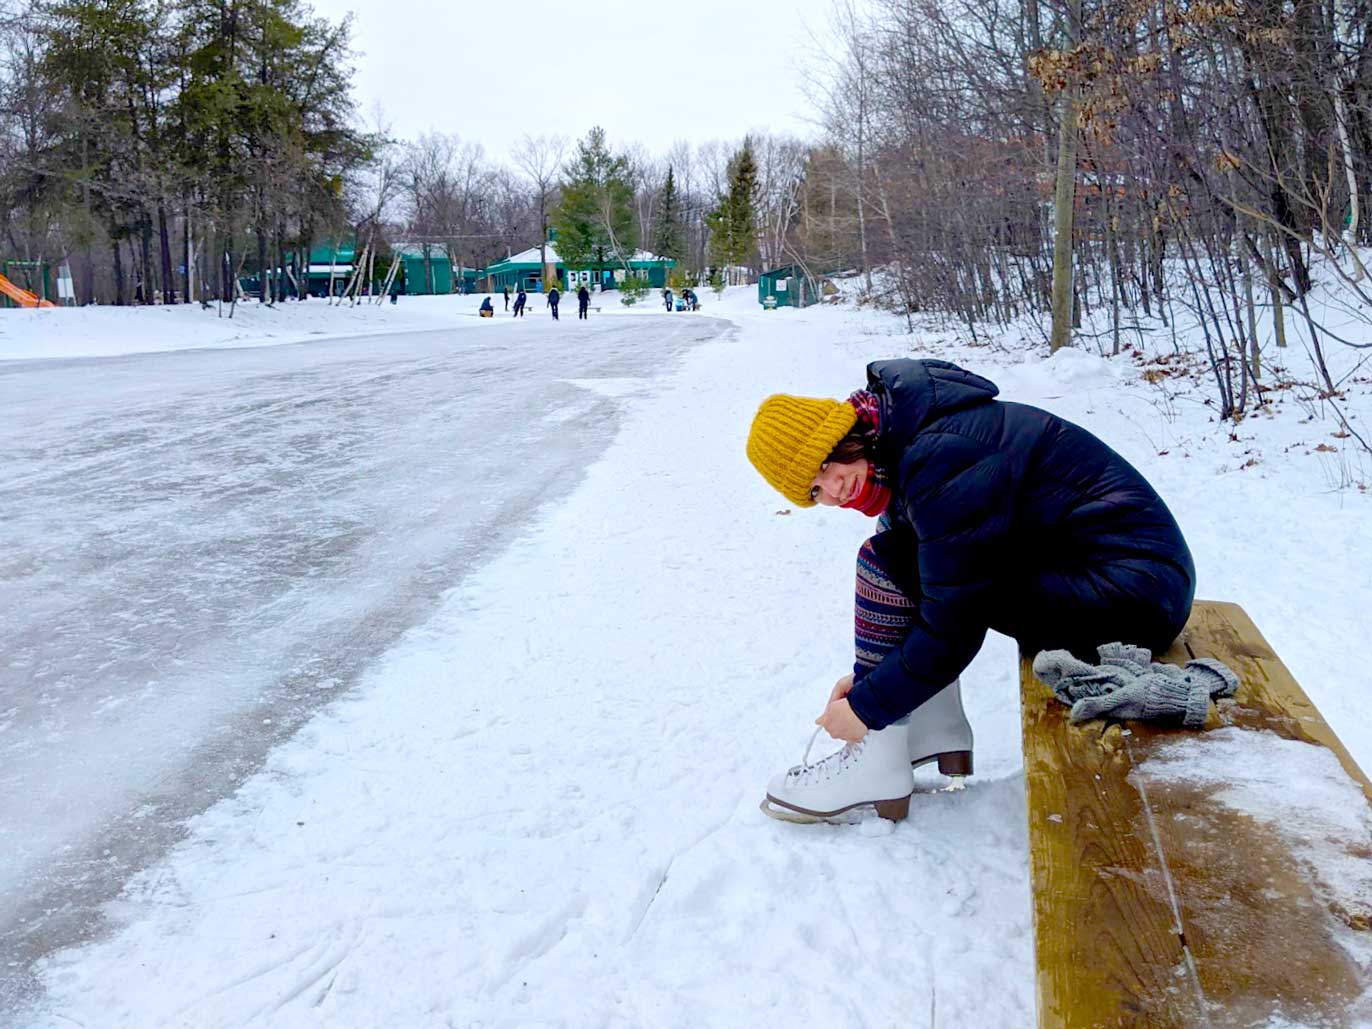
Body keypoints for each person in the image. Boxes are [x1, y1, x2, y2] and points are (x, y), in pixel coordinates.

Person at [746, 358, 1195, 823]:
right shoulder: (905, 439)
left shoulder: (937, 454)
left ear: (840, 433)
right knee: (904, 556)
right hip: (1120, 578)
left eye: (824, 465)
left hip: (1134, 593)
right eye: (815, 491)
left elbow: (954, 624)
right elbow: (933, 575)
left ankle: (879, 756)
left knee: (888, 562)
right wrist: (869, 679)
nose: (835, 490)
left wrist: (866, 708)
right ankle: (930, 727)